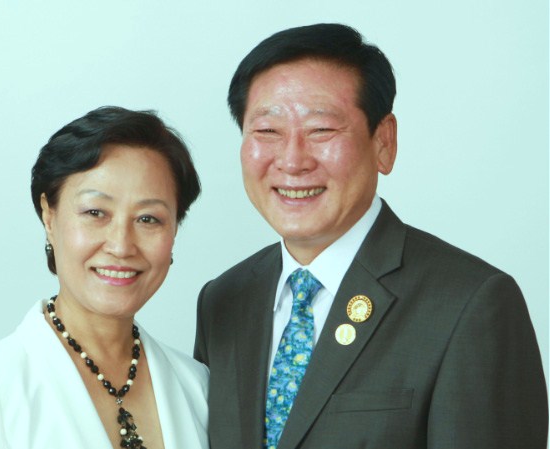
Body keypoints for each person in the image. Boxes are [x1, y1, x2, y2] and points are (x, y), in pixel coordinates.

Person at [194, 23, 548, 449]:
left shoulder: (470, 304)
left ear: (383, 142)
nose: (292, 160)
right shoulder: (224, 301)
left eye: (321, 130)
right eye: (267, 132)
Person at [0, 107, 209, 449]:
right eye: (95, 212)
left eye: (148, 219)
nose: (121, 246)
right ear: (49, 216)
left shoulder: (199, 386)